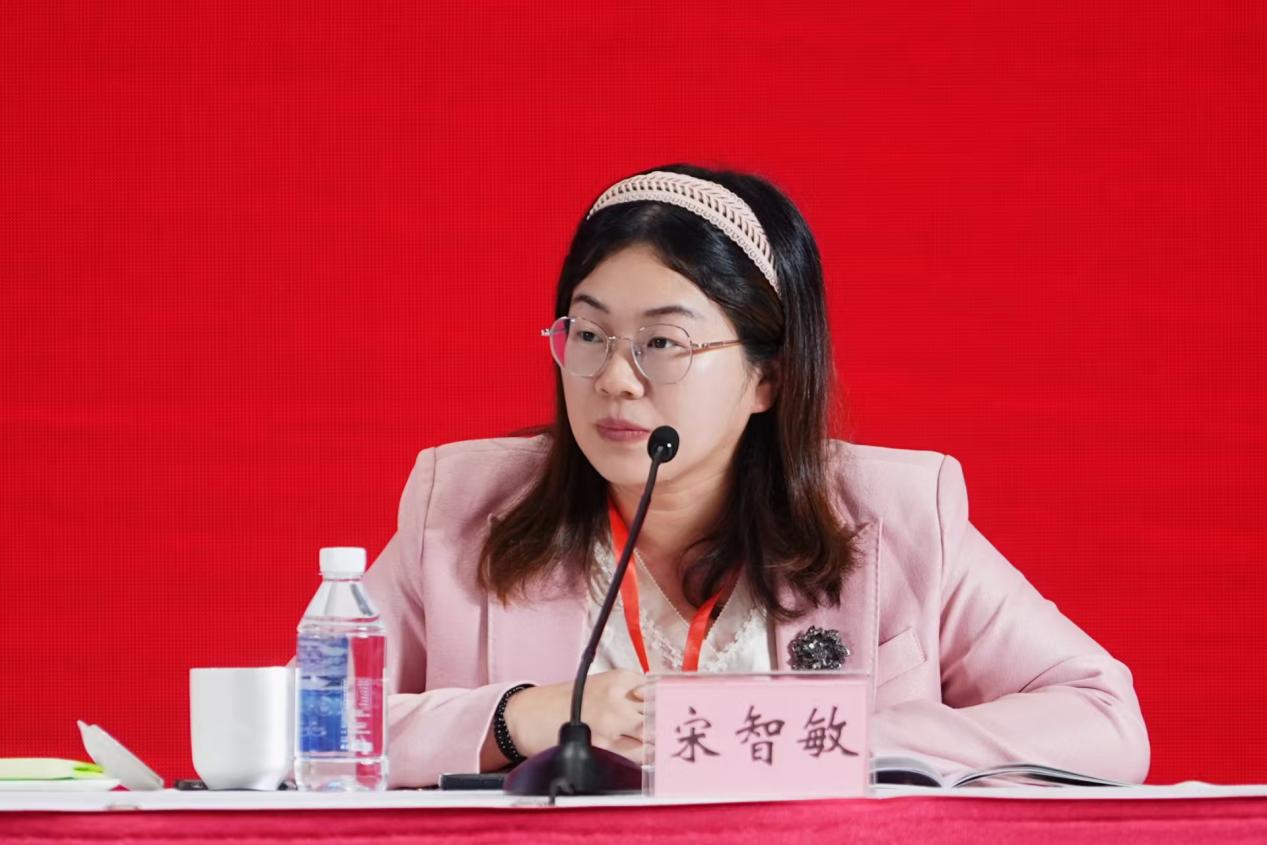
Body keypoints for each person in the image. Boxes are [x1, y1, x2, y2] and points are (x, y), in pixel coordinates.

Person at [361, 164, 1149, 789]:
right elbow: (316, 725)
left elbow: (1103, 719)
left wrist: (806, 736)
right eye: (590, 334)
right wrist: (520, 719)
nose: (615, 380)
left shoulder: (896, 515)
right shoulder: (463, 507)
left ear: (766, 377)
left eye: (662, 344)